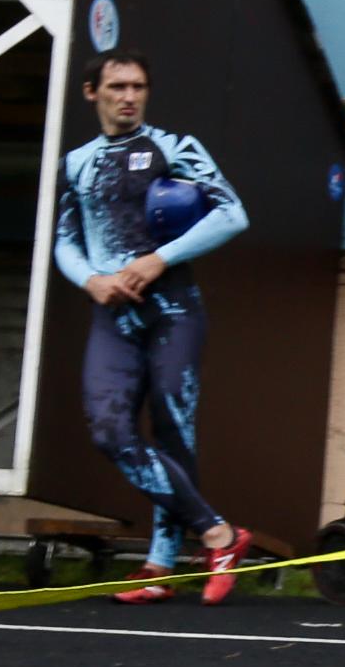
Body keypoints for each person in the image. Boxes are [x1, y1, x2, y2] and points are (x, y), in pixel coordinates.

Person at [55, 51, 254, 605]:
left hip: (172, 308)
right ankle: (220, 534)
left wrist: (158, 259)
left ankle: (160, 566)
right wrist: (91, 280)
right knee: (108, 430)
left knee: (173, 429)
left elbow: (232, 214)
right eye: (117, 86)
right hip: (111, 315)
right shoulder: (76, 163)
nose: (129, 96)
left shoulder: (173, 146)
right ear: (91, 92)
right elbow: (63, 241)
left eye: (138, 86)